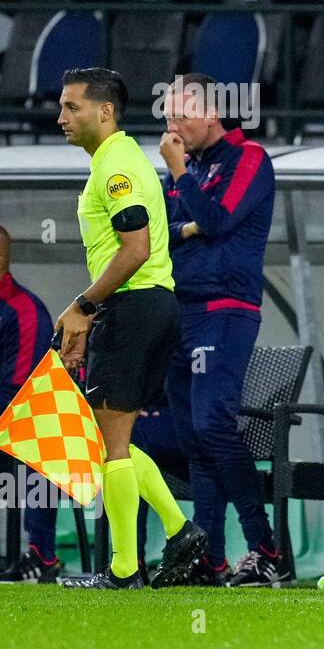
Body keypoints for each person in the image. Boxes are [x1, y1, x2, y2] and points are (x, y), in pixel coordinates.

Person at [54, 68, 207, 590]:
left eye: (72, 107)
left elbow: (134, 249)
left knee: (109, 442)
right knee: (110, 435)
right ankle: (179, 529)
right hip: (151, 306)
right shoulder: (120, 163)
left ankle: (125, 569)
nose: (61, 118)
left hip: (134, 307)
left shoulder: (116, 168)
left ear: (105, 111)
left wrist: (83, 306)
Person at [158, 74, 282, 587]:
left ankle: (266, 547)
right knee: (192, 438)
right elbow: (159, 231)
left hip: (224, 309)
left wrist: (182, 181)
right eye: (166, 118)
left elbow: (215, 220)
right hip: (178, 311)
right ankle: (208, 558)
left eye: (180, 116)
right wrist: (187, 220)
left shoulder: (248, 158)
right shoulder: (188, 169)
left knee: (212, 425)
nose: (172, 127)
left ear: (211, 113)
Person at [0, 225, 60, 584]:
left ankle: (40, 554)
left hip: (22, 420)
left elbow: (19, 394)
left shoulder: (24, 311)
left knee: (39, 432)